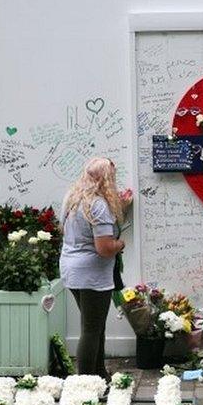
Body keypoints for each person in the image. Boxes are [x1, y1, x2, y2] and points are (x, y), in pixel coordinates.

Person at [59, 157, 132, 377]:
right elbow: (105, 248)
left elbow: (64, 230)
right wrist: (120, 244)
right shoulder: (98, 205)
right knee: (91, 330)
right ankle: (85, 381)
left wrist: (121, 207)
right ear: (106, 179)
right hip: (92, 274)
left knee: (95, 325)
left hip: (71, 268)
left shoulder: (72, 198)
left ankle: (99, 374)